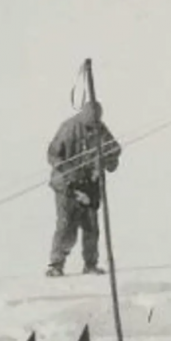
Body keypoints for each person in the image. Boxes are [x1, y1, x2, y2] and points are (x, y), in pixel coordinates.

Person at [45, 101, 121, 277]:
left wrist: (106, 160)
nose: (93, 126)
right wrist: (65, 170)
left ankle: (90, 264)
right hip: (67, 185)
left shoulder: (100, 129)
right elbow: (52, 154)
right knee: (66, 225)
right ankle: (56, 264)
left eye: (96, 122)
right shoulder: (69, 127)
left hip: (90, 184)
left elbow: (115, 150)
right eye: (90, 123)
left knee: (91, 226)